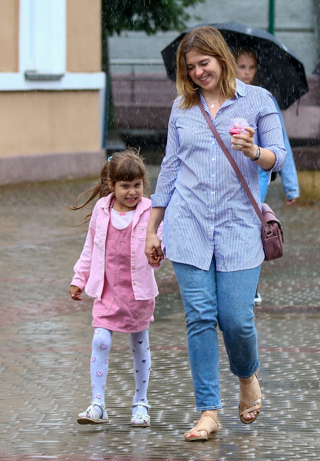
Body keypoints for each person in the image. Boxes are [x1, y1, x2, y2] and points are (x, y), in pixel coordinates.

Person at [144, 26, 285, 442]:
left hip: (238, 225)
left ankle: (247, 375)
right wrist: (152, 227)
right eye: (190, 68)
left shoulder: (258, 100)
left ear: (221, 58)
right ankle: (208, 410)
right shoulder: (182, 107)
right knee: (200, 317)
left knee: (236, 319)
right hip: (188, 223)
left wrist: (254, 151)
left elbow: (278, 156)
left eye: (203, 63)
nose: (197, 73)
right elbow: (170, 168)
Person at [69, 149, 159, 428]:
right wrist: (79, 278)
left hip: (138, 293)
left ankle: (141, 403)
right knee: (101, 341)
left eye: (137, 185)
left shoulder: (150, 210)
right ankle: (98, 404)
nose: (132, 192)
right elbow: (90, 247)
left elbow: (158, 244)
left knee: (139, 345)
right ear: (112, 185)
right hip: (107, 290)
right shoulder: (102, 209)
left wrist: (157, 253)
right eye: (125, 186)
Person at [234, 48, 299, 305]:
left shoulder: (263, 99)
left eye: (251, 67)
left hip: (258, 172)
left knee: (252, 223)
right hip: (230, 172)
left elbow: (281, 144)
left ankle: (251, 282)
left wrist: (291, 186)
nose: (247, 72)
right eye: (242, 66)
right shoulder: (221, 98)